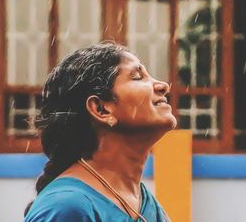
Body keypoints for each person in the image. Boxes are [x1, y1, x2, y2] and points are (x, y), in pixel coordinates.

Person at [24, 42, 176, 222]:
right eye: (137, 77)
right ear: (101, 109)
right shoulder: (66, 207)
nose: (163, 86)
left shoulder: (148, 207)